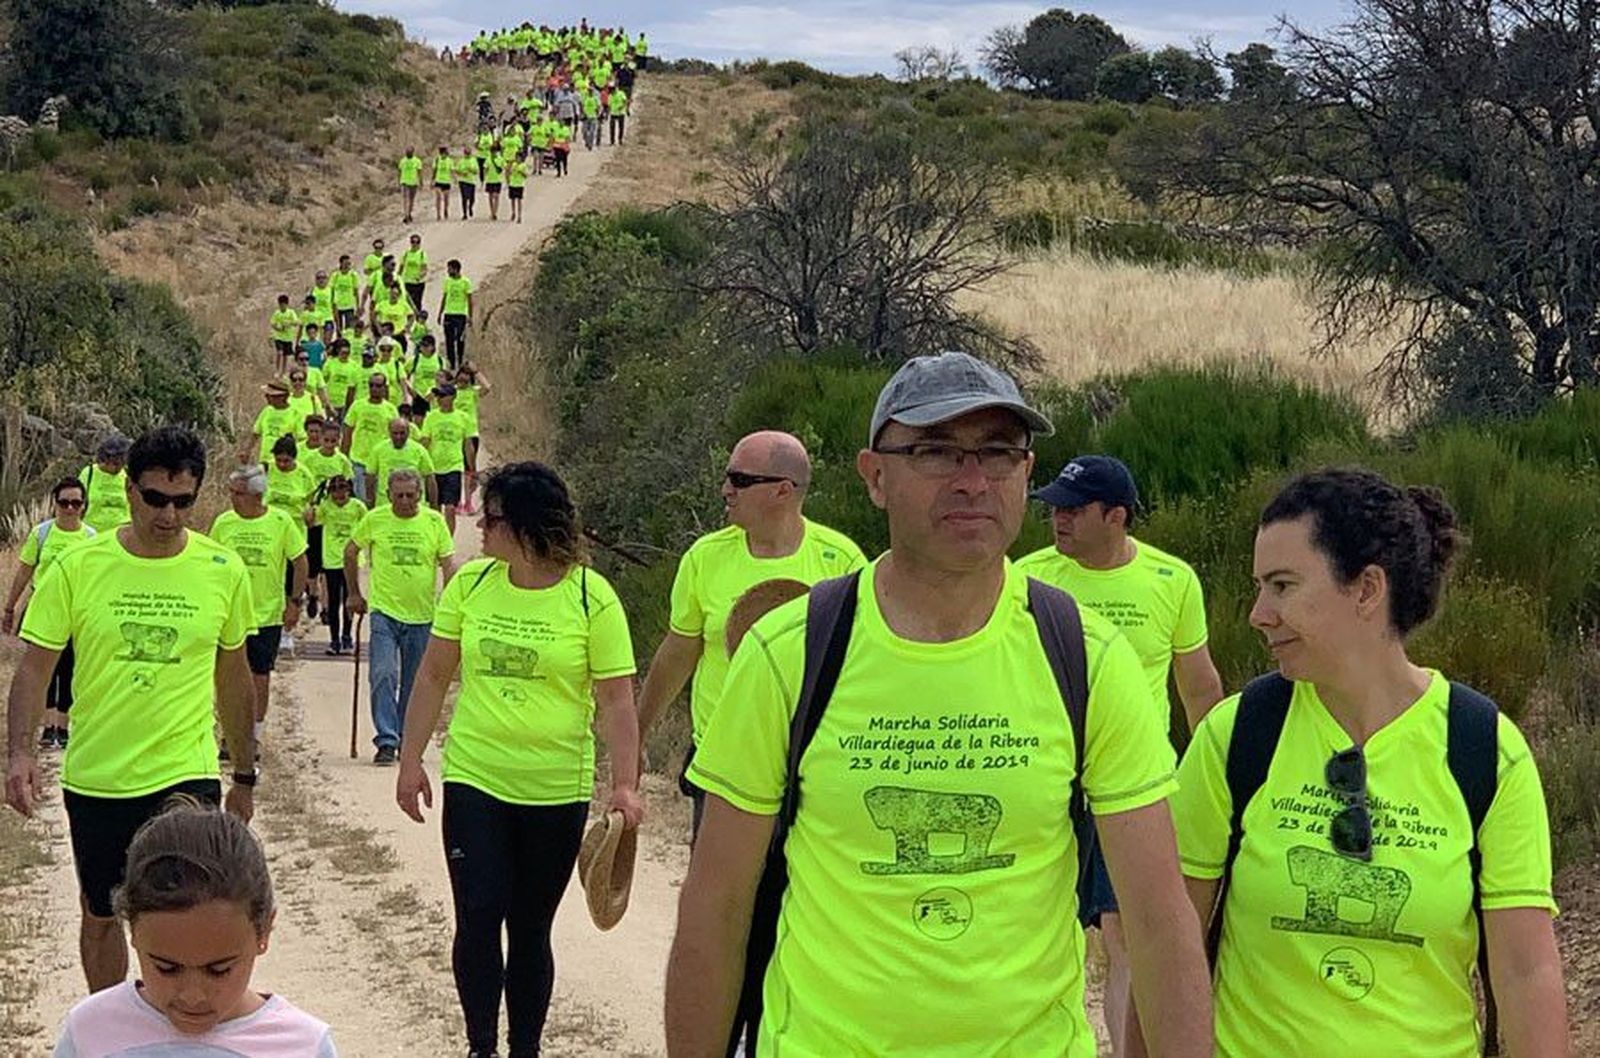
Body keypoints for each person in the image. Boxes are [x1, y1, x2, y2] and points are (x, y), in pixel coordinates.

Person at [663, 351, 1212, 1056]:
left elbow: (1162, 925)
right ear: (874, 476)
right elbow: (715, 911)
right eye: (936, 451)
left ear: (1028, 472)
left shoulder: (1087, 657)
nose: (973, 480)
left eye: (999, 453)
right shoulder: (790, 652)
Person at [1169, 468, 1568, 1058]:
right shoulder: (1238, 735)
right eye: (1259, 586)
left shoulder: (1484, 750)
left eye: (1281, 586)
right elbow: (1168, 947)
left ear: (1366, 589)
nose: (1258, 613)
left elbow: (1526, 972)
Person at [396, 461, 643, 1058]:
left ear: (527, 527)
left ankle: (523, 1048)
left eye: (494, 518)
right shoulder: (471, 586)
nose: (480, 526)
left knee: (530, 930)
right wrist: (410, 761)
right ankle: (481, 1046)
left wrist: (626, 786)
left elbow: (615, 700)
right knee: (478, 916)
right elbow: (433, 674)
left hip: (555, 789)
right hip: (477, 778)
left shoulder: (592, 598)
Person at [5, 426, 258, 994]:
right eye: (156, 499)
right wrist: (19, 754)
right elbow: (34, 668)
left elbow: (233, 676)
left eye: (183, 502)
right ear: (128, 491)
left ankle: (180, 1026)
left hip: (183, 772)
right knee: (101, 915)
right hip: (98, 776)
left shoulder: (222, 569)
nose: (169, 516)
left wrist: (244, 772)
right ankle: (111, 1028)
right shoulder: (79, 566)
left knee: (185, 911)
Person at [1017, 454, 1224, 1055]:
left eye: (1074, 510)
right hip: (1047, 780)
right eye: (1054, 508)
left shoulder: (1172, 580)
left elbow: (1199, 684)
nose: (1059, 520)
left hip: (1129, 785)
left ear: (1117, 516)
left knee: (1124, 933)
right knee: (1044, 923)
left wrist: (1213, 781)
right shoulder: (1028, 577)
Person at [637, 431, 867, 837]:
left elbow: (863, 665)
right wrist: (635, 735)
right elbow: (677, 654)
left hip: (808, 764)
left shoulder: (841, 560)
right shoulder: (706, 557)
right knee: (717, 896)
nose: (726, 489)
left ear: (783, 490)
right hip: (723, 762)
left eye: (740, 480)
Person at [51, 798, 338, 1056]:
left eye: (219, 970)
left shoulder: (303, 1046)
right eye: (166, 968)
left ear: (263, 931)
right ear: (133, 930)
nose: (193, 996)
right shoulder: (91, 1030)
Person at [345, 469, 454, 765]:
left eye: (410, 495)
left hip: (422, 615)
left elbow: (448, 564)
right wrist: (354, 593)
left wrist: (451, 604)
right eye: (399, 495)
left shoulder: (433, 522)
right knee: (383, 673)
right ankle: (387, 738)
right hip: (384, 611)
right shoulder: (375, 519)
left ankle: (407, 738)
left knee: (413, 680)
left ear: (419, 494)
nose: (405, 501)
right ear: (389, 495)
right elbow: (351, 551)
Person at [209, 463, 307, 754]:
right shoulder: (224, 523)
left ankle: (253, 735)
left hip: (266, 614)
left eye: (238, 493)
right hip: (229, 614)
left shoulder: (280, 522)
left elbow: (299, 561)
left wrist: (294, 601)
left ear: (257, 496)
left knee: (259, 676)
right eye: (231, 492)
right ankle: (229, 735)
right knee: (227, 677)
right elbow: (210, 561)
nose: (232, 498)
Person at [4, 477, 95, 749]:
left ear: (83, 506)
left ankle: (63, 728)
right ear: (54, 504)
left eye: (76, 503)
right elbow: (24, 571)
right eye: (64, 502)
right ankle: (46, 728)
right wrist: (10, 606)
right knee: (45, 670)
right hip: (43, 608)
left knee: (68, 669)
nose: (69, 508)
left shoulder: (90, 538)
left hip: (74, 611)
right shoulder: (41, 534)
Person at [312, 475, 366, 656]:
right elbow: (311, 522)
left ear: (348, 490)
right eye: (334, 493)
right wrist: (314, 503)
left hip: (351, 560)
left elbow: (368, 527)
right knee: (333, 602)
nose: (339, 497)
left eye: (342, 492)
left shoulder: (358, 507)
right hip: (331, 560)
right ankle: (334, 639)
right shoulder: (325, 507)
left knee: (349, 599)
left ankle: (347, 636)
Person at [420, 382, 471, 533]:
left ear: (453, 397)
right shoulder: (431, 417)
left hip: (453, 466)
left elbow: (468, 444)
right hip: (433, 467)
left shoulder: (463, 418)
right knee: (435, 508)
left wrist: (471, 469)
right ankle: (436, 537)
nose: (439, 399)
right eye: (438, 396)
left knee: (450, 508)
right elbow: (425, 440)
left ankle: (448, 540)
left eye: (443, 395)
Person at [345, 370, 398, 502]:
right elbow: (347, 432)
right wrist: (344, 458)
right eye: (371, 385)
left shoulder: (391, 410)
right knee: (362, 500)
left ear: (384, 388)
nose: (374, 389)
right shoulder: (357, 406)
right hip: (359, 461)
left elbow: (396, 436)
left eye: (378, 386)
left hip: (381, 463)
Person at [370, 416, 438, 510]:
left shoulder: (419, 450)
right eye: (395, 433)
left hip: (414, 506)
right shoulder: (378, 450)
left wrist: (434, 505)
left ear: (408, 432)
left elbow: (429, 477)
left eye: (402, 433)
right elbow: (370, 476)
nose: (399, 437)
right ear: (389, 433)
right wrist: (370, 503)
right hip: (385, 505)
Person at [453, 363, 489, 513]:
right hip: (455, 433)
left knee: (469, 469)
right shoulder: (451, 392)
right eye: (461, 378)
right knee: (455, 468)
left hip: (471, 433)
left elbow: (487, 387)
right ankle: (456, 502)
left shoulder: (473, 392)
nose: (463, 382)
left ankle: (468, 502)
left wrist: (477, 371)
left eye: (467, 379)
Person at [79, 435, 132, 534]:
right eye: (115, 463)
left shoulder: (127, 476)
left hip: (121, 535)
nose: (118, 467)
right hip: (92, 534)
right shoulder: (88, 473)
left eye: (122, 462)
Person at [248, 380, 301, 466]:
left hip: (284, 463)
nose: (267, 398)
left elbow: (301, 439)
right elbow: (256, 433)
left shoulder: (295, 414)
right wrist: (247, 451)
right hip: (265, 460)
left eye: (271, 396)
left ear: (283, 397)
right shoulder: (266, 411)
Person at [439, 259, 475, 371]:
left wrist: (470, 316)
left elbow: (470, 301)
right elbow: (444, 297)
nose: (448, 271)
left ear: (455, 269)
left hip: (460, 314)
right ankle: (451, 363)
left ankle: (460, 361)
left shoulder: (466, 282)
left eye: (449, 268)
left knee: (460, 339)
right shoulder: (447, 281)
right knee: (449, 340)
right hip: (449, 313)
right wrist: (440, 313)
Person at [401, 233, 429, 320]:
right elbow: (401, 266)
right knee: (407, 301)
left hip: (418, 283)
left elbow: (424, 268)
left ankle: (418, 319)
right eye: (413, 242)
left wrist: (420, 276)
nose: (415, 244)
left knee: (417, 301)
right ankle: (408, 318)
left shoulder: (422, 254)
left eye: (417, 242)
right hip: (407, 281)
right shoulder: (406, 254)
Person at [331, 254, 362, 332]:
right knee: (339, 329)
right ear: (341, 263)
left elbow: (356, 291)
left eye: (349, 264)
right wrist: (332, 305)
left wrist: (358, 306)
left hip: (349, 306)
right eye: (346, 264)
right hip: (338, 305)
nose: (348, 266)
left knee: (349, 329)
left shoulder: (353, 275)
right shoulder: (335, 275)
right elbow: (332, 291)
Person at [270, 294, 299, 375]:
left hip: (288, 337)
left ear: (287, 304)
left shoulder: (291, 312)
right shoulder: (277, 313)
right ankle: (277, 370)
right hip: (279, 336)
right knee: (280, 352)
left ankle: (283, 371)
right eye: (280, 305)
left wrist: (289, 323)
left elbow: (296, 322)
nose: (282, 307)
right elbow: (272, 323)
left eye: (283, 305)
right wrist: (278, 328)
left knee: (286, 355)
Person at [398, 147, 423, 223]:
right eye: (407, 152)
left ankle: (409, 213)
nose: (408, 153)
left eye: (409, 152)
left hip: (413, 183)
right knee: (406, 200)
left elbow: (419, 172)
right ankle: (406, 215)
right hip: (404, 182)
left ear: (413, 152)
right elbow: (399, 172)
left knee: (411, 200)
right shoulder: (402, 161)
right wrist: (398, 182)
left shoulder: (417, 161)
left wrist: (421, 182)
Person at [483, 144, 505, 221]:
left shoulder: (500, 159)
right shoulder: (488, 159)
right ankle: (492, 211)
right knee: (490, 197)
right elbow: (485, 169)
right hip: (490, 180)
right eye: (492, 151)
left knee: (496, 196)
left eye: (495, 151)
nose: (494, 153)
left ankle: (495, 212)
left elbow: (503, 168)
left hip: (497, 180)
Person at [456, 146, 479, 221]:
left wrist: (471, 170)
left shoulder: (474, 160)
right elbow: (457, 170)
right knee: (464, 198)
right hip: (463, 181)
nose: (467, 154)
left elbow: (476, 171)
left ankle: (470, 207)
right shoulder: (461, 161)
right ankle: (464, 214)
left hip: (471, 181)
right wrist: (462, 173)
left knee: (472, 198)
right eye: (466, 153)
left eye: (468, 153)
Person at [433, 145, 455, 221]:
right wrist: (432, 180)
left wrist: (454, 179)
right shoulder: (437, 160)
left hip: (446, 181)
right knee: (438, 198)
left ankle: (445, 209)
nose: (445, 154)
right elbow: (434, 170)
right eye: (443, 153)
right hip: (438, 180)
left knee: (446, 199)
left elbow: (452, 171)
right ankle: (438, 214)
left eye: (446, 153)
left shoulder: (450, 161)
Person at [506, 152, 529, 223]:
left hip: (520, 184)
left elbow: (526, 176)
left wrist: (521, 172)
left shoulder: (524, 165)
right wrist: (508, 180)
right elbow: (508, 172)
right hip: (512, 184)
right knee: (512, 200)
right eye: (516, 157)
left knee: (519, 200)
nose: (517, 159)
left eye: (519, 158)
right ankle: (513, 212)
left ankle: (519, 216)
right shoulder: (513, 165)